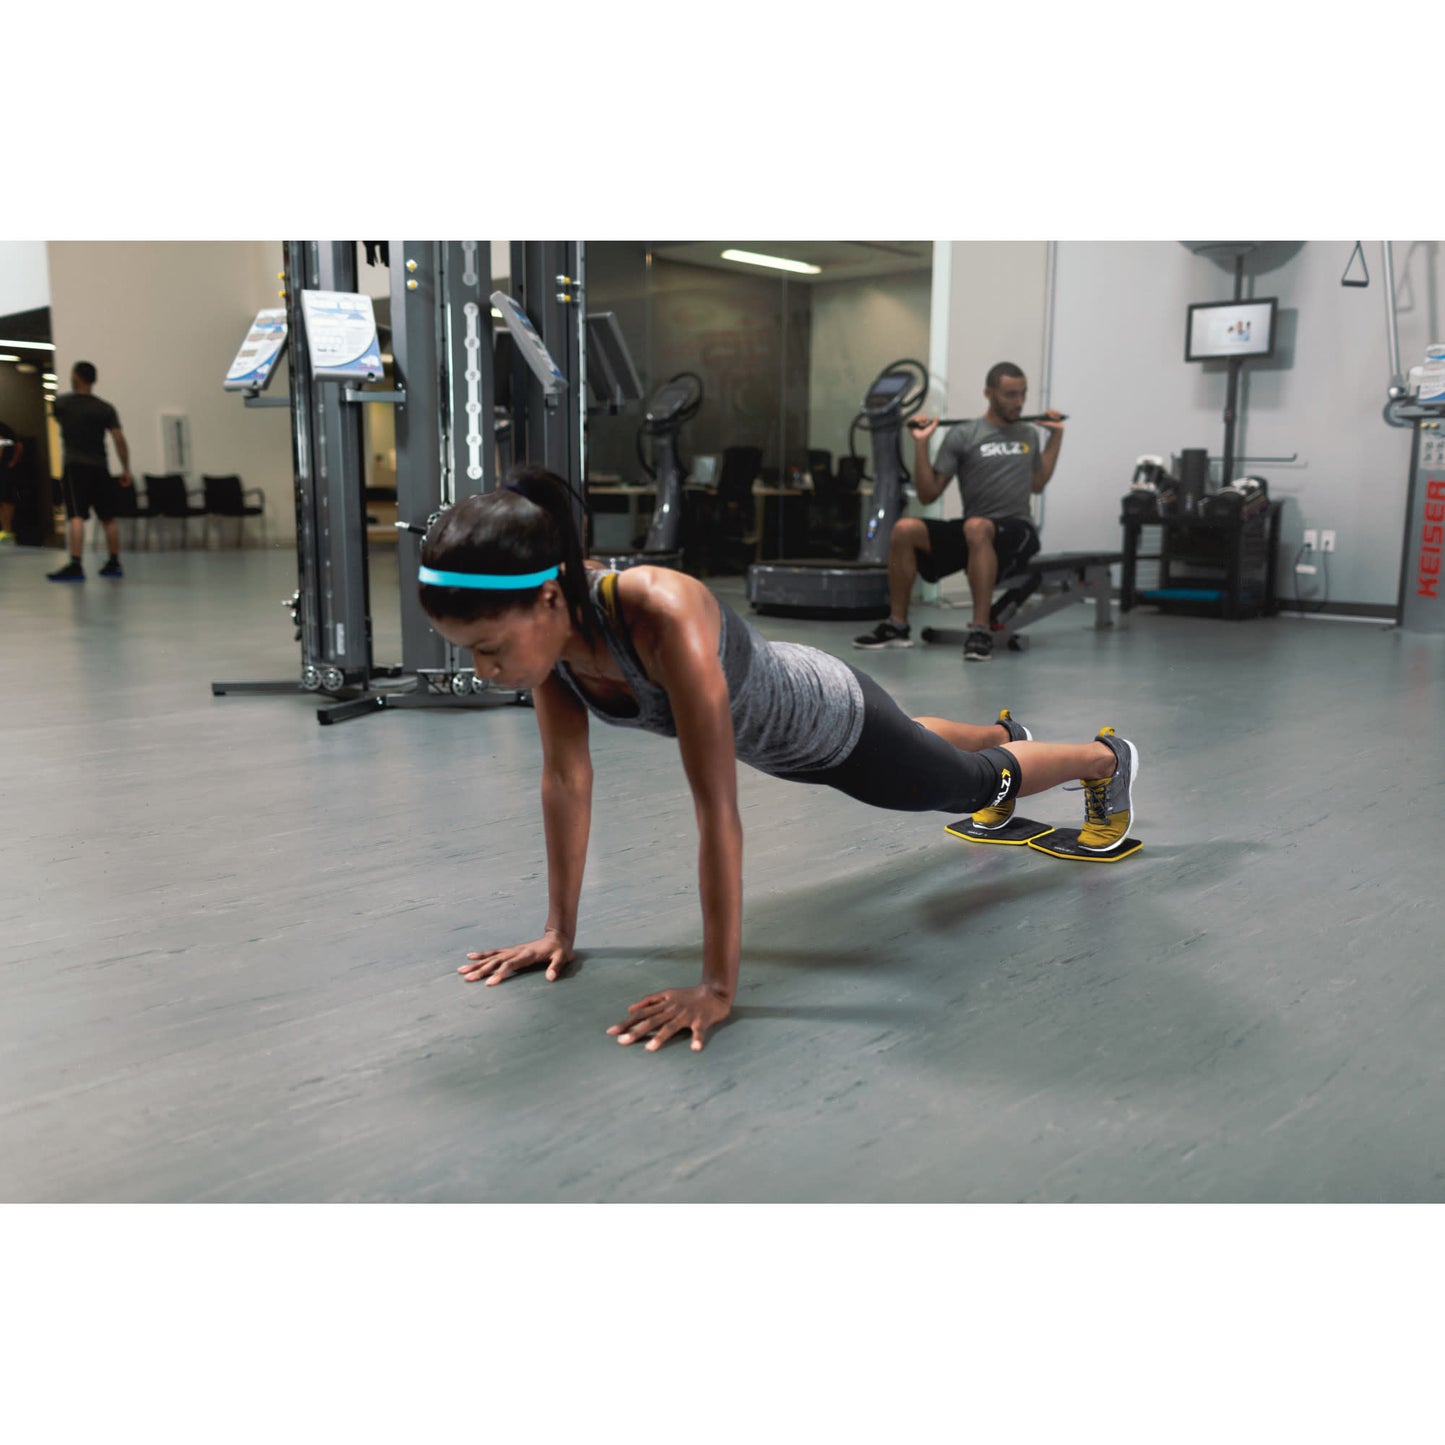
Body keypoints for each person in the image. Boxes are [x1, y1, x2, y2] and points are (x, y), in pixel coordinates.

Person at [418, 465, 1139, 1056]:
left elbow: (716, 813)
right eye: (470, 652)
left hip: (833, 726)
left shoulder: (661, 613)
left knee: (968, 788)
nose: (484, 670)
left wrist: (717, 988)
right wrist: (557, 933)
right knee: (918, 737)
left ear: (548, 598)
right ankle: (997, 729)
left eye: (490, 648)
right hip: (786, 739)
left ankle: (1102, 760)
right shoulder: (555, 647)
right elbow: (566, 780)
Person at [853, 361, 1064, 661]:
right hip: (975, 531)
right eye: (1010, 395)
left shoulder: (1028, 434)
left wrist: (1056, 437)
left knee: (976, 527)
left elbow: (1038, 484)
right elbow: (928, 494)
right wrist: (921, 445)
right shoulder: (964, 435)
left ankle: (980, 630)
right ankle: (897, 625)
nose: (1019, 402)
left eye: (1023, 394)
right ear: (988, 393)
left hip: (1017, 529)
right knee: (905, 529)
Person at [47, 361, 132, 582]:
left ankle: (75, 565)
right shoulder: (105, 408)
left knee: (76, 516)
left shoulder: (62, 404)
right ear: (94, 380)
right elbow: (119, 439)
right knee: (108, 517)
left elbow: (57, 418)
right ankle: (114, 562)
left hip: (76, 467)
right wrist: (126, 469)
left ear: (75, 376)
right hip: (100, 468)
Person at [0, 419, 22, 544]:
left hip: (4, 470)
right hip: (6, 468)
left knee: (6, 500)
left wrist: (12, 462)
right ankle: (5, 531)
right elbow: (19, 446)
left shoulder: (2, 428)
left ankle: (7, 532)